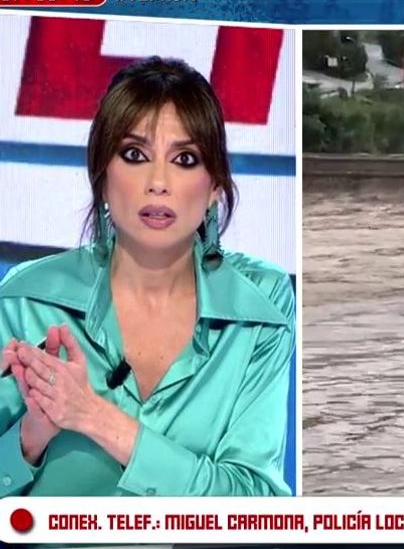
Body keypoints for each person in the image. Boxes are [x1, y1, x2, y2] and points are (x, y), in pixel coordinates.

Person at [0, 56, 295, 497]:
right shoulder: (26, 300)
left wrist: (93, 417)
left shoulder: (262, 304)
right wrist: (31, 436)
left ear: (215, 185)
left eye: (185, 158)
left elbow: (257, 509)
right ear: (102, 175)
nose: (158, 182)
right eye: (134, 155)